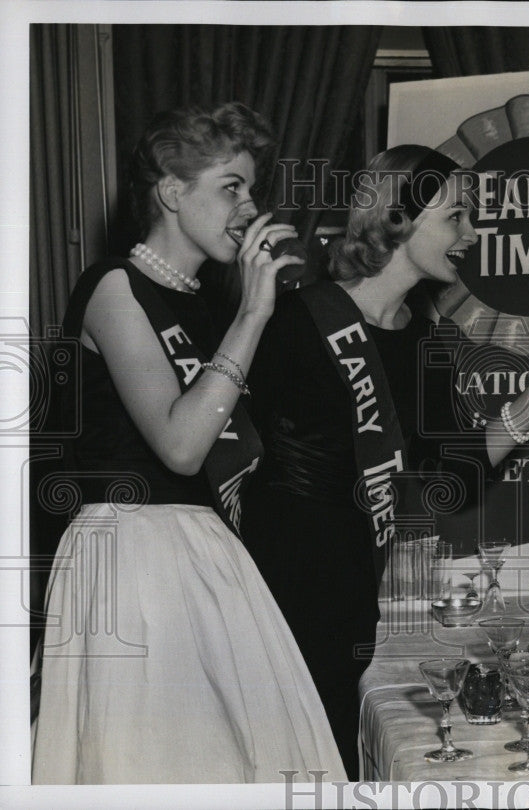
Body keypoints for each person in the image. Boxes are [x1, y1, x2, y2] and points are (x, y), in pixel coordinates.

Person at [32, 102, 347, 784]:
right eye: (231, 186)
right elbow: (180, 445)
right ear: (172, 193)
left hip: (203, 554)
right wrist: (255, 312)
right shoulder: (113, 285)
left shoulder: (205, 306)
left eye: (252, 190)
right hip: (133, 556)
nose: (248, 207)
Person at [242, 144, 529, 780]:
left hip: (355, 579)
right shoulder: (296, 320)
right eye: (457, 217)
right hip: (280, 575)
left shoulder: (424, 339)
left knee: (334, 754)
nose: (471, 234)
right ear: (398, 218)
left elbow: (455, 475)